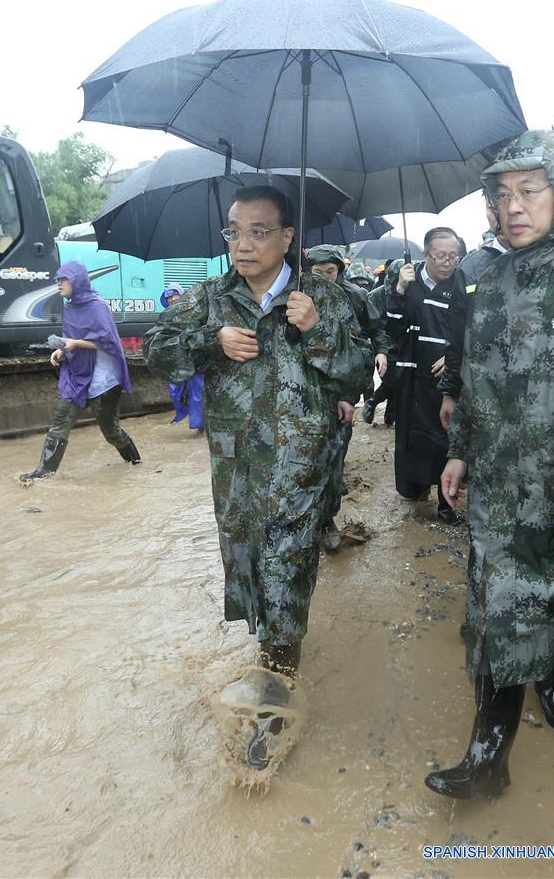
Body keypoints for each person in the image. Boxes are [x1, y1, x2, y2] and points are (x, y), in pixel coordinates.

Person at [425, 130, 554, 801]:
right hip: (500, 488)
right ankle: (488, 757)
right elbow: (477, 382)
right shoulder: (490, 279)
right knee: (496, 611)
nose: (512, 206)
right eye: (501, 194)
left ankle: (549, 674)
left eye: (528, 191)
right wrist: (458, 455)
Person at [144, 187, 372, 767]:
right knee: (247, 562)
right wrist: (209, 342)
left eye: (259, 231)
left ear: (288, 237)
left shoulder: (323, 296)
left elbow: (357, 379)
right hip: (237, 468)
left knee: (285, 566)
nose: (243, 245)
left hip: (302, 468)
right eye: (234, 232)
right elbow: (157, 351)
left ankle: (274, 694)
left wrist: (317, 328)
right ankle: (272, 649)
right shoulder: (211, 298)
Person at [19, 262, 140, 483]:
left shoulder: (97, 306)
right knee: (60, 421)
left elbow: (109, 342)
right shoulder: (70, 308)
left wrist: (75, 343)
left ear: (77, 282)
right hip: (77, 376)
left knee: (110, 431)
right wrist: (62, 351)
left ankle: (135, 461)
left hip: (103, 381)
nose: (58, 285)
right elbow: (70, 340)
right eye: (56, 280)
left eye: (62, 280)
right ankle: (42, 474)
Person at [305, 244, 389, 551]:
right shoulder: (297, 297)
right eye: (318, 273)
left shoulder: (354, 296)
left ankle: (328, 520)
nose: (326, 278)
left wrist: (380, 352)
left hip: (342, 388)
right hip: (303, 391)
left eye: (331, 272)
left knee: (334, 459)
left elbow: (377, 329)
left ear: (340, 271)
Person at [385, 228, 462, 524]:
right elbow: (391, 327)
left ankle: (446, 503)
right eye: (440, 256)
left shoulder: (460, 284)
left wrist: (453, 356)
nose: (447, 262)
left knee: (443, 436)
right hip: (410, 374)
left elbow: (470, 327)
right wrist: (399, 290)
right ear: (425, 254)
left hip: (442, 376)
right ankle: (413, 488)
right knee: (408, 435)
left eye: (453, 256)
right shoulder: (408, 280)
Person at [438, 196, 510, 430]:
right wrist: (450, 392)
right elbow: (458, 334)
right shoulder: (472, 267)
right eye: (491, 206)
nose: (500, 212)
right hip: (485, 393)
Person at [160, 284, 205, 435]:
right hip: (178, 362)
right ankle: (185, 415)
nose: (172, 299)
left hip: (195, 360)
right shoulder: (166, 317)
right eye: (169, 297)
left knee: (197, 393)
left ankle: (200, 427)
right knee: (176, 391)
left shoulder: (193, 314)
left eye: (175, 295)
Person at [363, 259, 401, 427]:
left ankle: (389, 418)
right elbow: (371, 325)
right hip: (383, 347)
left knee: (400, 382)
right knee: (393, 380)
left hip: (403, 345)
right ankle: (372, 401)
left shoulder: (410, 293)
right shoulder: (377, 295)